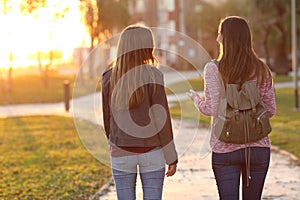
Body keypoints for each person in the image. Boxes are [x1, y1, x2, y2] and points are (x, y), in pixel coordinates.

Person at [187, 16, 276, 199]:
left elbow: (211, 109)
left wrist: (196, 99)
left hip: (224, 148)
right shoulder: (261, 69)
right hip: (257, 149)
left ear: (223, 38)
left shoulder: (213, 69)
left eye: (220, 33)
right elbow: (271, 110)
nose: (217, 37)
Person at [102, 24, 178, 200]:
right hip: (152, 151)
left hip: (121, 152)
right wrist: (171, 157)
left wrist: (114, 142)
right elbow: (162, 120)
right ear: (147, 47)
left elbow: (108, 119)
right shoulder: (154, 75)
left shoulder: (108, 77)